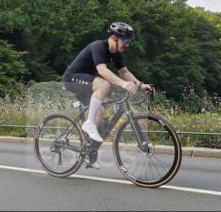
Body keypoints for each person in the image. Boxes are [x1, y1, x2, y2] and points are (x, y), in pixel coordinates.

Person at [62, 22, 153, 169]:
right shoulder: (99, 46)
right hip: (71, 79)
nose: (128, 44)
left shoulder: (116, 54)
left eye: (129, 41)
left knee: (102, 116)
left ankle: (88, 152)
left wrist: (141, 85)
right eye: (126, 41)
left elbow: (124, 72)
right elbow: (102, 71)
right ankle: (89, 123)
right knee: (104, 84)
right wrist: (123, 84)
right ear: (115, 38)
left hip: (86, 81)